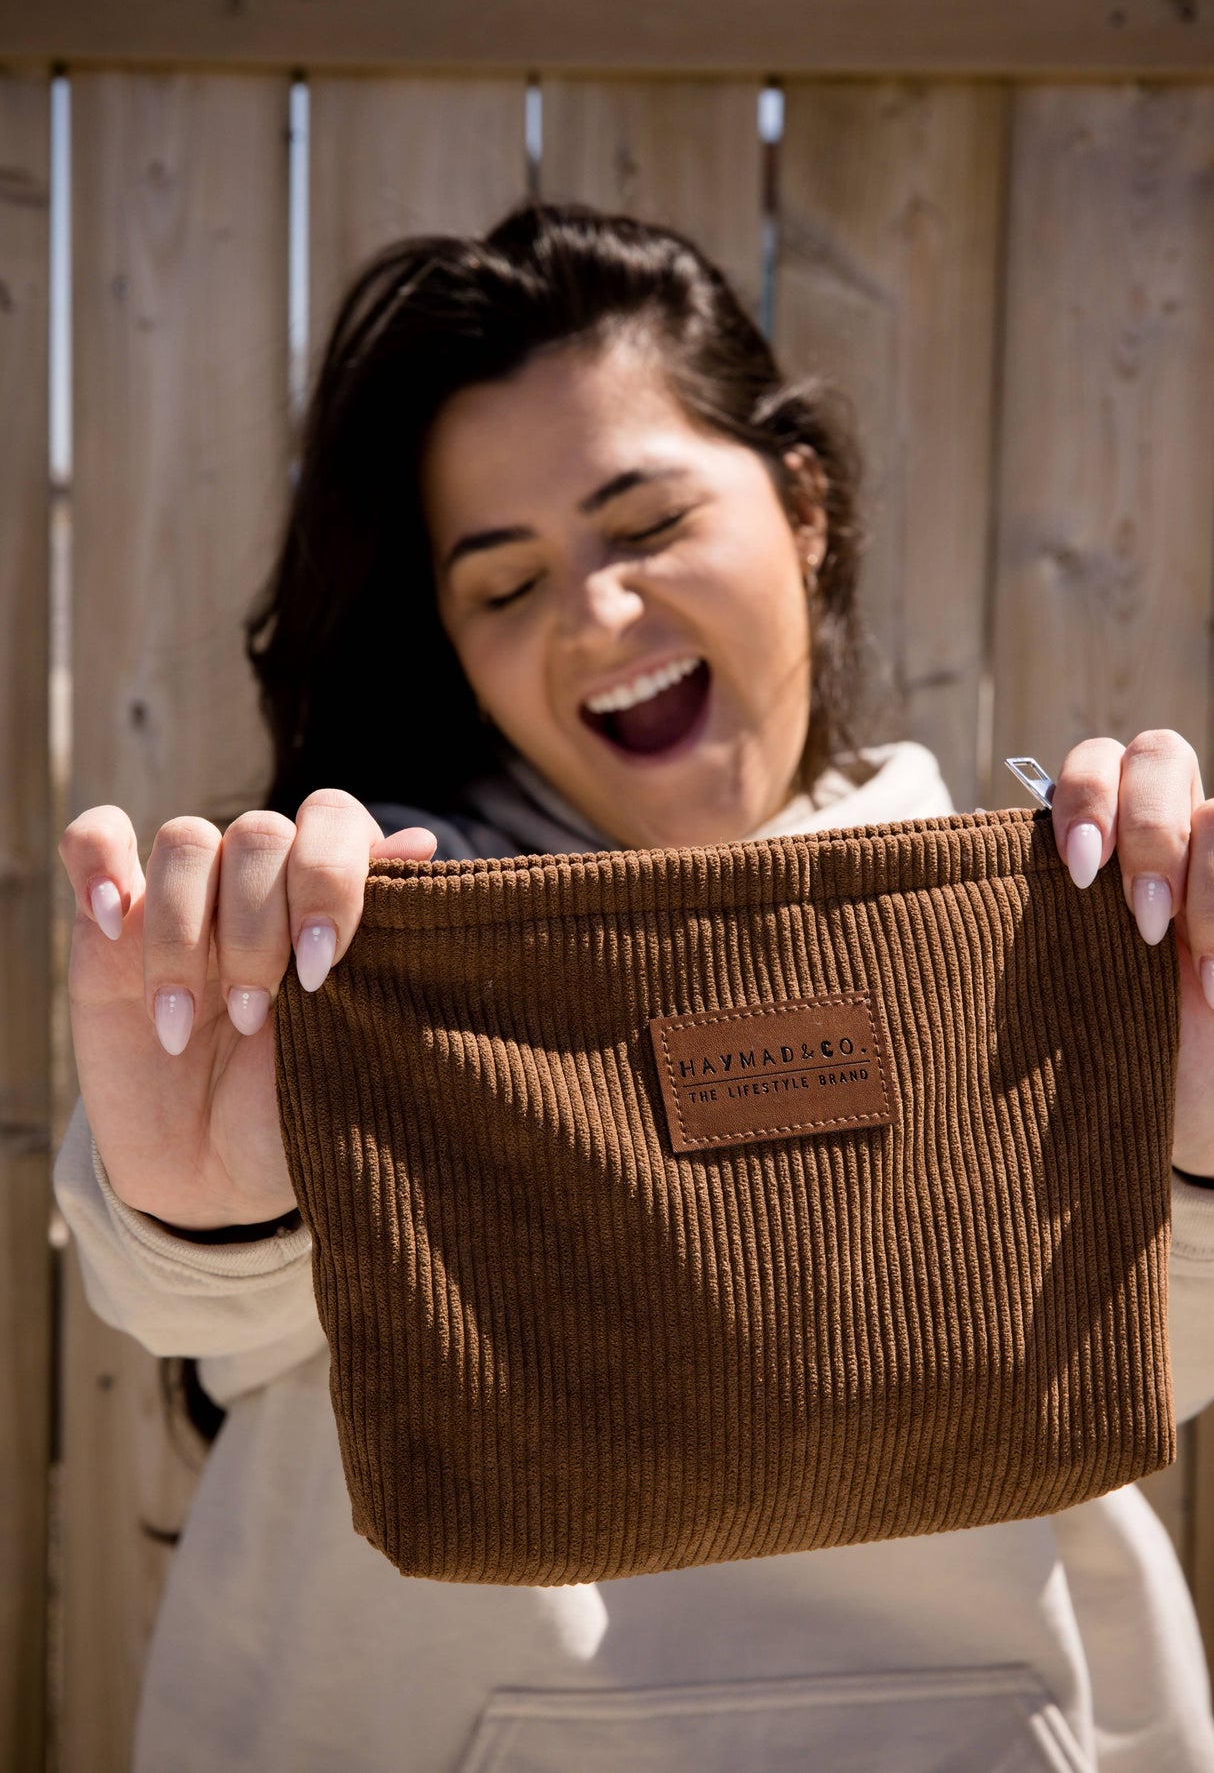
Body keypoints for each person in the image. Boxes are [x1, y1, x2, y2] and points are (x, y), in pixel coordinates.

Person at [53, 199, 1214, 1773]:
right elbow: (216, 1326)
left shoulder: (1039, 926)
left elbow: (1155, 1372)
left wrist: (1192, 1149)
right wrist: (205, 1212)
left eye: (646, 522)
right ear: (449, 642)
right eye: (502, 582)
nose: (596, 613)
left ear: (802, 505)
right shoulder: (364, 945)